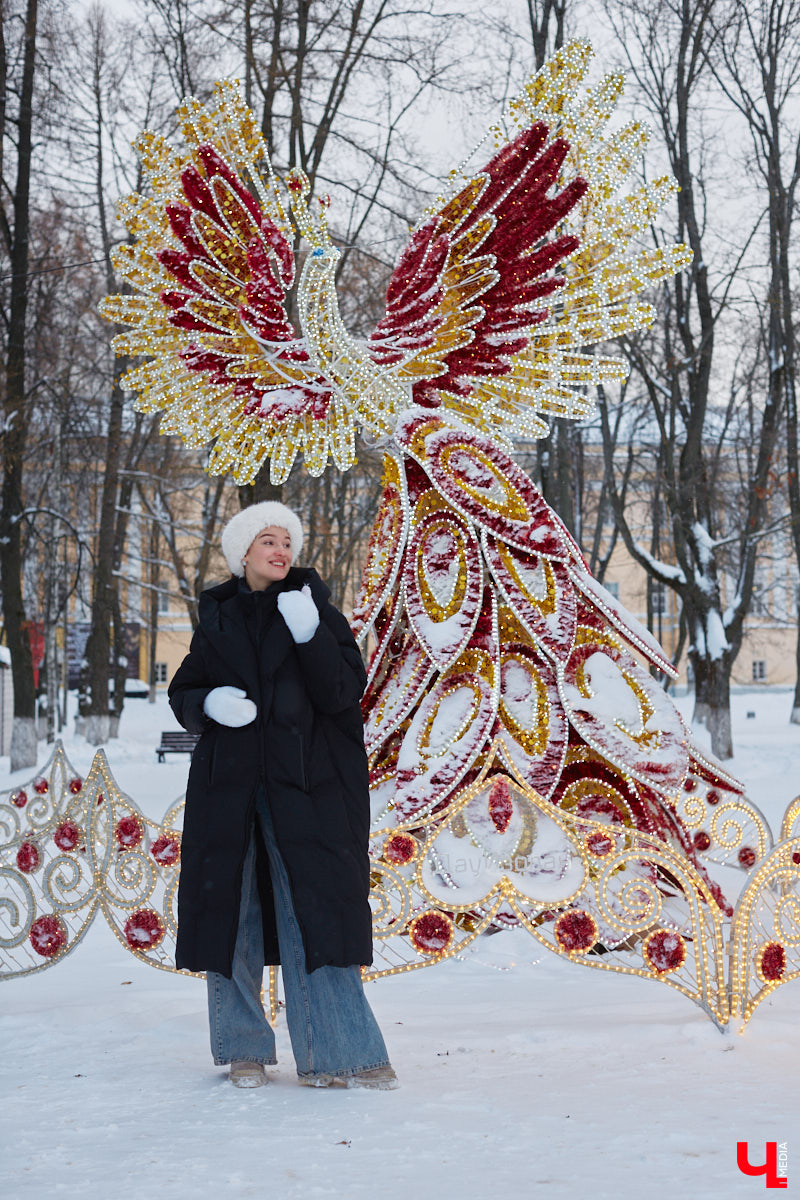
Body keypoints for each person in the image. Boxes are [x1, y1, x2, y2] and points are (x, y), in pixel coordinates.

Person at [168, 501, 397, 1090]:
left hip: (309, 790)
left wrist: (310, 634)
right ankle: (243, 1050)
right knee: (231, 915)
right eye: (267, 541)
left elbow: (344, 692)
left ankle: (343, 1054)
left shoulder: (314, 610)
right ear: (243, 552)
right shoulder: (218, 619)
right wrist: (208, 704)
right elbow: (185, 689)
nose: (280, 550)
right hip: (231, 792)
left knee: (317, 918)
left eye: (287, 541)